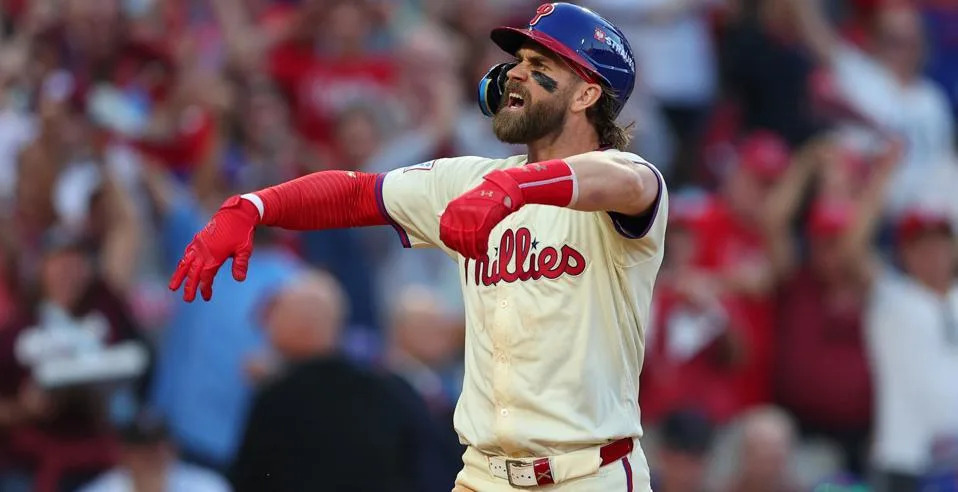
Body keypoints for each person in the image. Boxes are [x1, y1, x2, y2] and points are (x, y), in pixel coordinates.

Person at [170, 3, 667, 490]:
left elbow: (627, 180)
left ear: (585, 95)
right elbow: (355, 192)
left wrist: (515, 189)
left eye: (538, 66)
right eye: (516, 61)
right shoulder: (471, 178)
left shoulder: (625, 181)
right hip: (483, 475)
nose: (513, 74)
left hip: (588, 474)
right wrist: (254, 207)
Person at [230, 271, 450, 492]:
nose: (269, 324)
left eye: (277, 313)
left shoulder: (275, 399)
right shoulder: (388, 393)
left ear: (300, 324)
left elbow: (248, 479)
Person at [78, 410, 230, 492]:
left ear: (173, 450)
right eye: (142, 452)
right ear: (124, 456)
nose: (151, 458)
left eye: (157, 450)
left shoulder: (208, 486)